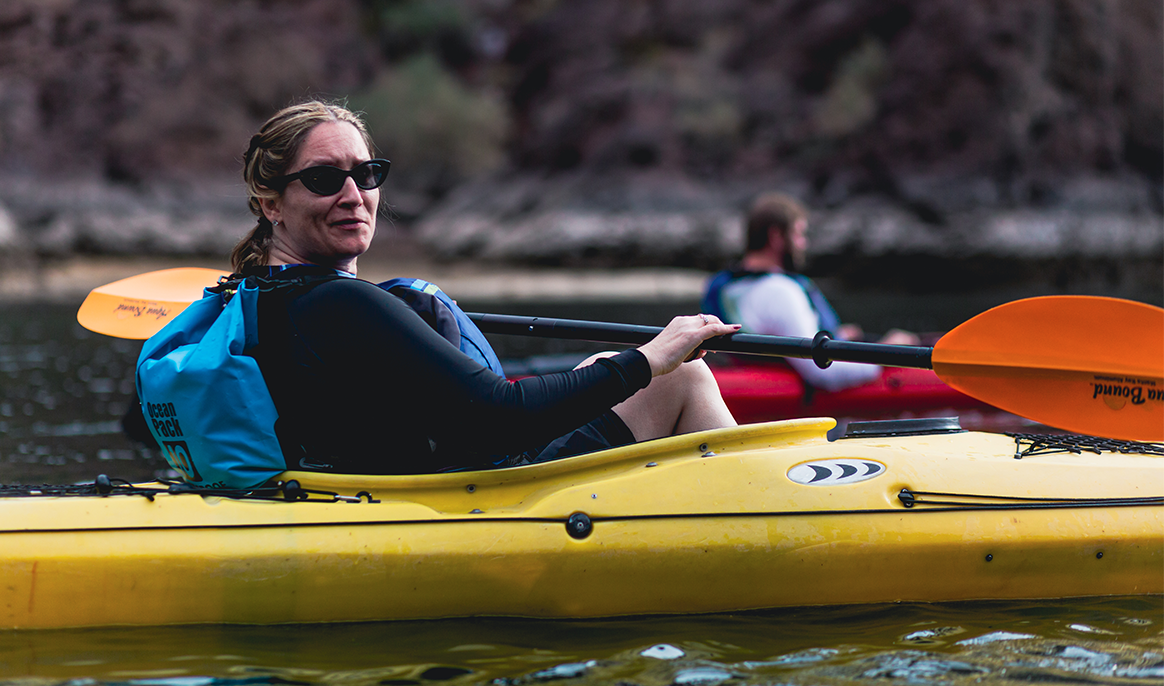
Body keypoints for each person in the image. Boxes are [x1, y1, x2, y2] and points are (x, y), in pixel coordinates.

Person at [227, 99, 740, 475]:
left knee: (589, 369)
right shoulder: (340, 303)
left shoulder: (250, 296)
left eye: (366, 175)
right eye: (323, 179)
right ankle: (758, 525)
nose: (353, 195)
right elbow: (498, 418)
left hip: (361, 488)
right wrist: (651, 358)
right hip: (456, 503)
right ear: (272, 203)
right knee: (684, 377)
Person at [702, 193, 918, 392]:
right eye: (799, 234)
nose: (803, 244)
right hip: (782, 396)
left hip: (743, 382)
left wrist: (836, 338)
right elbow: (824, 374)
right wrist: (886, 352)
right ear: (776, 236)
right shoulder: (780, 292)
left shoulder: (729, 287)